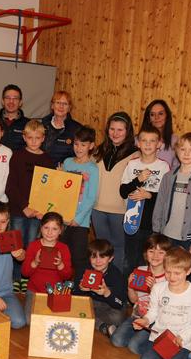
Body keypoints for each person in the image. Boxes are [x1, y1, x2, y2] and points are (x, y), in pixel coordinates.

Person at [133, 247, 191, 359]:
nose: (172, 277)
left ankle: (189, 358)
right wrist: (145, 320)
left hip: (181, 342)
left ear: (188, 271)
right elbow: (153, 312)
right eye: (168, 272)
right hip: (159, 338)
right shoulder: (159, 288)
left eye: (177, 273)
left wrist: (182, 337)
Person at [5, 119, 55, 292]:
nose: (34, 141)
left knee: (32, 245)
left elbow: (50, 189)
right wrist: (25, 206)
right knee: (17, 245)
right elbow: (11, 187)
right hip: (19, 210)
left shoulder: (48, 160)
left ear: (43, 138)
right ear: (24, 137)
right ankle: (15, 277)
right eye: (30, 137)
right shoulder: (18, 156)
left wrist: (42, 210)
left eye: (37, 137)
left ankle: (27, 276)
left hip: (38, 213)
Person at [92, 112, 139, 276]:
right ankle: (100, 282)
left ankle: (116, 284)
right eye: (112, 129)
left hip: (121, 211)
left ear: (128, 132)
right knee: (102, 249)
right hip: (97, 209)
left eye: (120, 130)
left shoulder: (135, 154)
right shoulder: (99, 150)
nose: (115, 133)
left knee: (119, 249)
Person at [120, 126, 170, 275]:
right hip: (132, 222)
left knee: (147, 262)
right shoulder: (132, 164)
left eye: (152, 141)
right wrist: (138, 180)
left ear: (159, 144)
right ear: (138, 143)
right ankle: (129, 295)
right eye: (144, 141)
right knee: (129, 261)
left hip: (151, 223)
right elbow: (123, 192)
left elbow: (166, 197)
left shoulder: (163, 167)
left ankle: (147, 295)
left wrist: (149, 195)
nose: (148, 144)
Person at [152, 132, 191, 255]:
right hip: (165, 235)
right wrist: (156, 232)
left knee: (180, 271)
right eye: (182, 149)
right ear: (176, 151)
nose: (186, 153)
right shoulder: (168, 176)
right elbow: (159, 204)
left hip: (187, 239)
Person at [111, 234, 171, 354]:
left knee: (134, 347)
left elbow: (166, 307)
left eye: (161, 252)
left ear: (167, 256)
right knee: (117, 340)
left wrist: (155, 289)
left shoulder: (169, 277)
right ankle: (144, 339)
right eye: (151, 251)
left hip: (155, 321)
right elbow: (133, 300)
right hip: (137, 316)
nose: (155, 256)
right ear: (146, 254)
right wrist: (130, 287)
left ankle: (163, 344)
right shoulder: (140, 270)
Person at [62, 126, 99, 283]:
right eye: (76, 144)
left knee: (78, 257)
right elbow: (61, 189)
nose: (79, 148)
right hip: (63, 219)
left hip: (80, 222)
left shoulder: (93, 168)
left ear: (91, 146)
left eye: (83, 145)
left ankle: (78, 287)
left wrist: (77, 218)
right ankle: (61, 287)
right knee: (62, 255)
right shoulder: (67, 162)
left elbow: (91, 197)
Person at [21, 212, 72, 324]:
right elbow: (24, 273)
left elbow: (67, 275)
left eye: (54, 229)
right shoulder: (33, 246)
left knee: (56, 320)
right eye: (46, 228)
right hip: (34, 291)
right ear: (41, 228)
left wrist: (60, 265)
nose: (49, 232)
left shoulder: (63, 248)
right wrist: (35, 262)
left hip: (55, 292)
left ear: (60, 230)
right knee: (30, 321)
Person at [76, 239, 127, 339]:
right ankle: (102, 326)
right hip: (90, 303)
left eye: (102, 257)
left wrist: (107, 293)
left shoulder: (116, 275)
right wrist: (80, 288)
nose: (98, 261)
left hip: (108, 306)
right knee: (76, 309)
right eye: (94, 257)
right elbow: (74, 294)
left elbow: (120, 303)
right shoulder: (83, 269)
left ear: (111, 258)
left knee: (118, 317)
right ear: (89, 258)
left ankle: (91, 320)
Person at [41, 90, 82, 165]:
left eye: (65, 104)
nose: (61, 106)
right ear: (52, 105)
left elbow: (81, 155)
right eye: (58, 102)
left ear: (69, 108)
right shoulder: (41, 125)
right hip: (41, 170)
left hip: (64, 172)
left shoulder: (78, 129)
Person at [141, 99, 178, 169]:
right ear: (148, 118)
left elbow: (177, 168)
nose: (156, 117)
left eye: (160, 113)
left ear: (167, 116)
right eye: (152, 114)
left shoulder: (175, 141)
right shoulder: (138, 140)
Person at [0, 84, 29, 150]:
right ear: (2, 101)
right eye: (8, 98)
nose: (11, 101)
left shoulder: (29, 124)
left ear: (20, 102)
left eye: (15, 98)